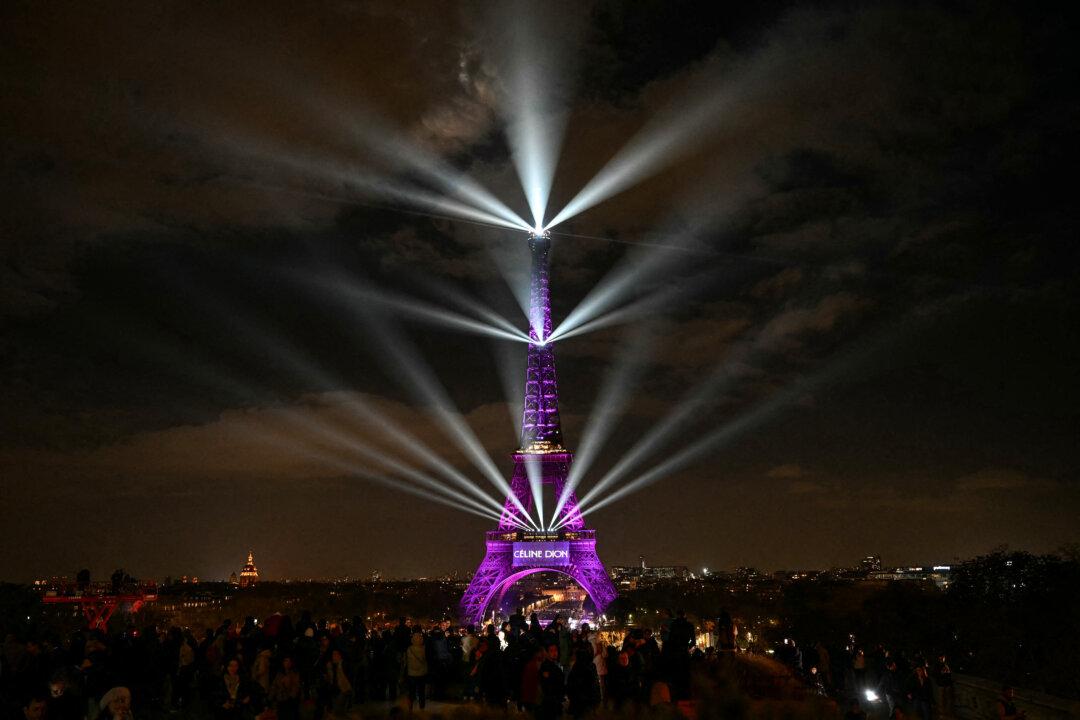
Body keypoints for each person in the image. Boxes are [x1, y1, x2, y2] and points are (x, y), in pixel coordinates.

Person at [566, 648, 601, 718]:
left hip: (581, 702)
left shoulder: (577, 667)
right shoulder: (591, 666)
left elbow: (571, 684)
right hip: (588, 701)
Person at [538, 644, 565, 720]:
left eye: (556, 650)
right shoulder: (546, 666)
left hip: (555, 702)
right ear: (547, 653)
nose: (554, 653)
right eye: (551, 651)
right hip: (550, 703)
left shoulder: (554, 665)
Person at [269, 656, 301, 720]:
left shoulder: (294, 673)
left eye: (289, 661)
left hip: (289, 700)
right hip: (280, 699)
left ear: (291, 663)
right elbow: (274, 685)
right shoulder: (279, 673)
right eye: (285, 661)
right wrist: (270, 697)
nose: (287, 663)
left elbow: (296, 685)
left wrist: (291, 696)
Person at [404, 632, 429, 711]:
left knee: (411, 692)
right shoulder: (424, 649)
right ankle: (422, 708)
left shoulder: (409, 649)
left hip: (411, 674)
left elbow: (405, 662)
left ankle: (410, 708)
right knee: (421, 692)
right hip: (422, 673)